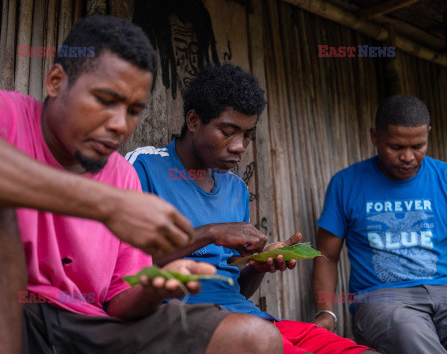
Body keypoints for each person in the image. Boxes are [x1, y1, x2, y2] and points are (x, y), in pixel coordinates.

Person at [0, 16, 284, 354]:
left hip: (88, 324)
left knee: (256, 339)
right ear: (56, 81)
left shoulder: (122, 175)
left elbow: (119, 300)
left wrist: (155, 289)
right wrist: (106, 204)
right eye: (105, 100)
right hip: (9, 313)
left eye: (134, 110)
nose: (120, 125)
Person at [127, 63, 375, 354]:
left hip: (250, 319)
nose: (239, 146)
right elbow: (125, 269)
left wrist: (257, 267)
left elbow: (234, 288)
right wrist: (211, 233)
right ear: (194, 121)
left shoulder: (235, 189)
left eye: (247, 135)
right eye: (228, 132)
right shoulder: (144, 167)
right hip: (185, 322)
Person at [312, 95, 447, 354]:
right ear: (375, 137)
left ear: (428, 134)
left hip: (444, 289)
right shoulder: (346, 184)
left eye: (418, 146)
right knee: (409, 334)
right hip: (384, 299)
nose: (408, 157)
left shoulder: (444, 178)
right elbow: (327, 256)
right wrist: (326, 312)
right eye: (396, 147)